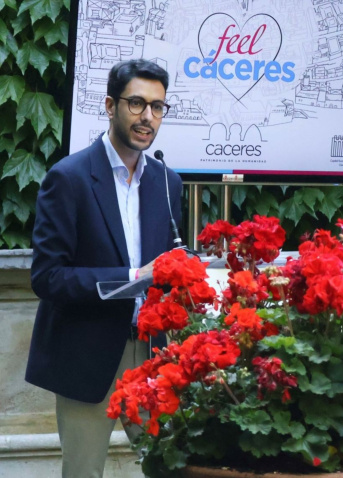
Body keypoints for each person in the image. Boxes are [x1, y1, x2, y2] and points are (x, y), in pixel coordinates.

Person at [25, 59, 182, 478]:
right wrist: (131, 279)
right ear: (110, 106)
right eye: (136, 103)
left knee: (173, 468)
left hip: (151, 352)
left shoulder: (168, 181)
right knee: (83, 473)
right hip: (87, 353)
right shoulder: (69, 178)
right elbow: (47, 277)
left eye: (158, 107)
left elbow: (164, 266)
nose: (147, 117)